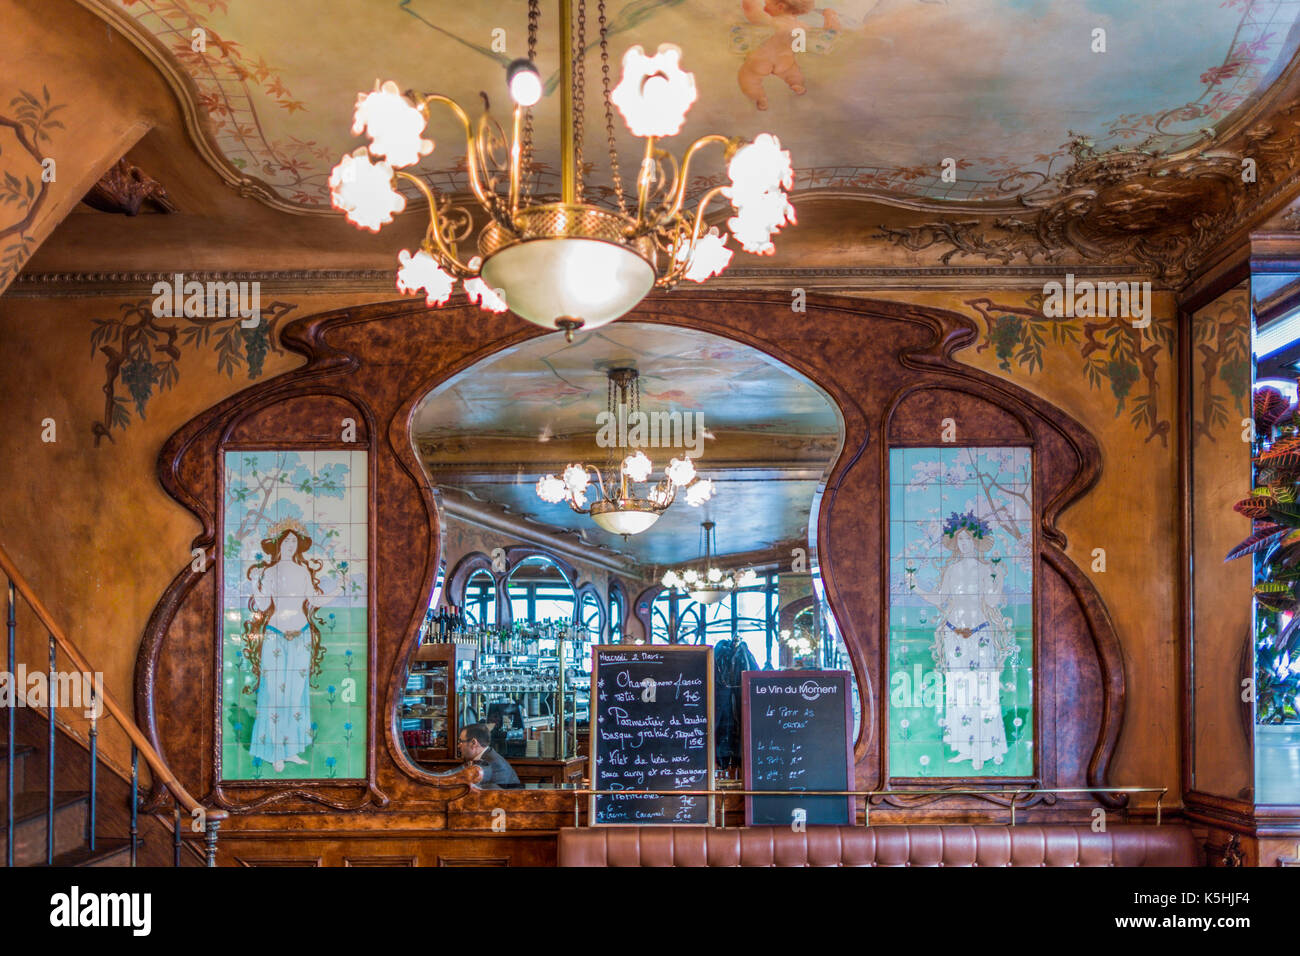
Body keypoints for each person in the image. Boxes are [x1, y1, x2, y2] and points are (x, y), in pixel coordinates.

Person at [905, 512, 1018, 771]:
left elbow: (991, 602)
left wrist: (999, 579)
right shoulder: (952, 570)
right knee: (959, 693)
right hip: (953, 635)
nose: (964, 543)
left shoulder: (986, 569)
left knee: (982, 692)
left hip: (979, 634)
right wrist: (915, 587)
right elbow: (940, 599)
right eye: (960, 539)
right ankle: (964, 747)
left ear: (977, 541)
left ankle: (982, 749)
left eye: (968, 539)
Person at [457, 723, 521, 790]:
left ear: (473, 743)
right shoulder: (481, 758)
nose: (458, 745)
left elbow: (492, 797)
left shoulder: (495, 765)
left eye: (461, 741)